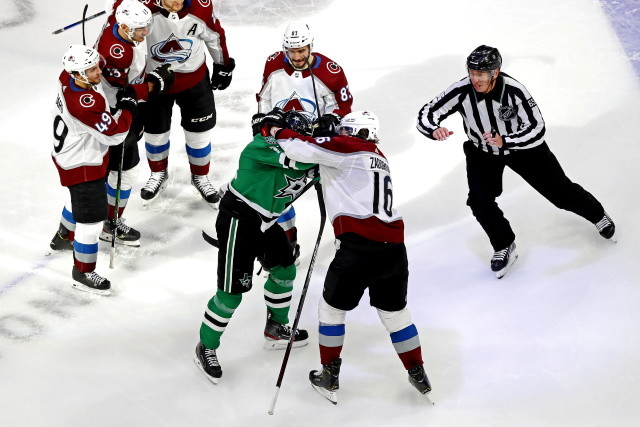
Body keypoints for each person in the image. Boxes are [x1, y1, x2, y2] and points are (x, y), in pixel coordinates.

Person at [265, 110, 432, 404]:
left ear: (357, 133)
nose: (342, 133)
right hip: (394, 248)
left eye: (346, 130)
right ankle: (417, 371)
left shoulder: (347, 147)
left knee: (331, 310)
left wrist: (275, 129)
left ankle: (330, 375)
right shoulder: (378, 155)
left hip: (358, 246)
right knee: (395, 314)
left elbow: (298, 148)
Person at [416, 45, 615, 279]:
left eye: (480, 74)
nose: (475, 79)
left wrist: (507, 140)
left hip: (524, 149)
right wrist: (434, 129)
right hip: (482, 152)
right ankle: (504, 244)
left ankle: (597, 214)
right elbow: (427, 113)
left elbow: (537, 128)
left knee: (560, 192)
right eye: (471, 73)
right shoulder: (462, 89)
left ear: (495, 73)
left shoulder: (514, 90)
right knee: (480, 201)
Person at [193, 110, 318, 384]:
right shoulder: (261, 146)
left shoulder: (303, 149)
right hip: (240, 219)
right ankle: (206, 346)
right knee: (230, 295)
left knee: (285, 270)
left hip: (266, 221)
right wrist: (330, 153)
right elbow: (301, 161)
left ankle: (275, 328)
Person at [256, 21, 353, 256]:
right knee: (276, 192)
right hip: (283, 139)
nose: (297, 56)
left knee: (333, 191)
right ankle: (288, 244)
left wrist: (331, 119)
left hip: (315, 142)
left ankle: (345, 239)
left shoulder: (330, 70)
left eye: (301, 50)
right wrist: (264, 123)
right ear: (285, 49)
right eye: (292, 51)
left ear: (310, 46)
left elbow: (343, 105)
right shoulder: (273, 64)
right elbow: (264, 97)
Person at [50, 45, 138, 294]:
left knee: (76, 200)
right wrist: (129, 106)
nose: (99, 71)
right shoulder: (84, 103)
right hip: (82, 164)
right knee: (91, 221)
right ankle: (83, 271)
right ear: (78, 74)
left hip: (70, 154)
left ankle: (64, 236)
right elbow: (116, 134)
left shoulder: (65, 77)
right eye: (92, 69)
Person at [139, 0, 235, 207]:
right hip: (155, 82)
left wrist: (223, 65)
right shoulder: (143, 9)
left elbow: (215, 36)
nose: (178, 2)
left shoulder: (199, 8)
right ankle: (158, 174)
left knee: (199, 134)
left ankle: (200, 176)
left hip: (194, 81)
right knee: (155, 133)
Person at [96, 0, 174, 246]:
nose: (145, 33)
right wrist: (154, 83)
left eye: (145, 26)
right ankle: (110, 224)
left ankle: (83, 225)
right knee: (124, 171)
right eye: (139, 29)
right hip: (117, 113)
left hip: (122, 111)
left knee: (114, 172)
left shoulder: (118, 24)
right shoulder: (117, 51)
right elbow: (125, 93)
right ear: (124, 26)